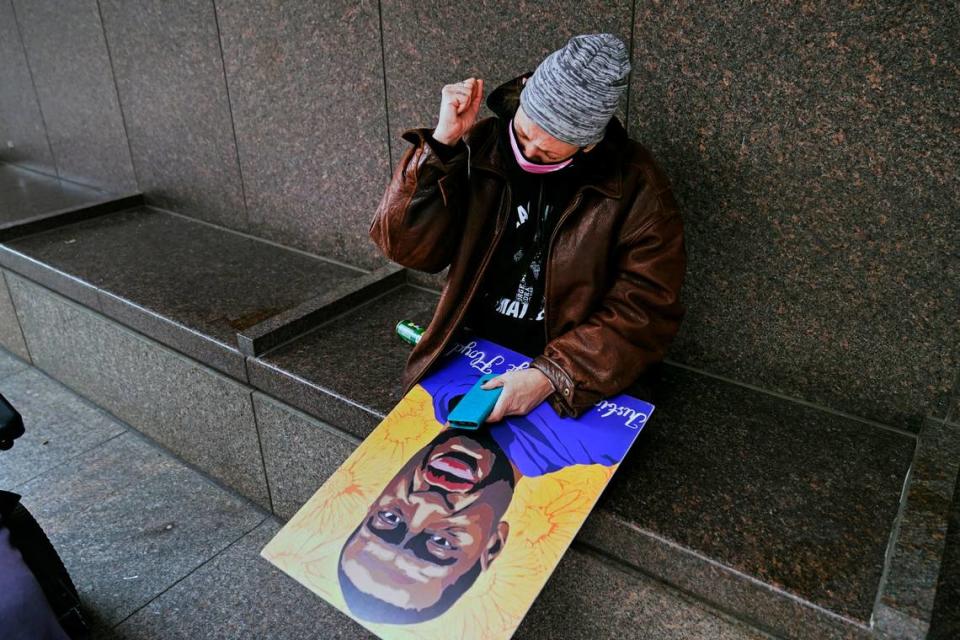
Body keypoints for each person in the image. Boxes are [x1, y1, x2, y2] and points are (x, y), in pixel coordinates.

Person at [370, 33, 686, 422]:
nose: (529, 153)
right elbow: (404, 247)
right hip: (473, 349)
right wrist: (441, 146)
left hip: (570, 373)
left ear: (588, 144)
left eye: (550, 152)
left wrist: (551, 375)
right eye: (522, 133)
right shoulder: (481, 144)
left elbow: (646, 309)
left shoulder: (637, 188)